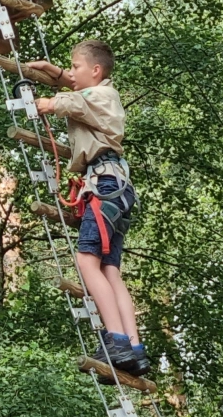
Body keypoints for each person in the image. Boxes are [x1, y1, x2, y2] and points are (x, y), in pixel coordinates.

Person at [26, 39, 147, 377]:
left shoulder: (100, 96)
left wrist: (48, 102)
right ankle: (134, 348)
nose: (71, 72)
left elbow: (74, 100)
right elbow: (77, 86)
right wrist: (56, 73)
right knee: (110, 271)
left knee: (86, 261)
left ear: (95, 70)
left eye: (75, 66)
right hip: (116, 186)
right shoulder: (101, 92)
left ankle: (116, 339)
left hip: (105, 186)